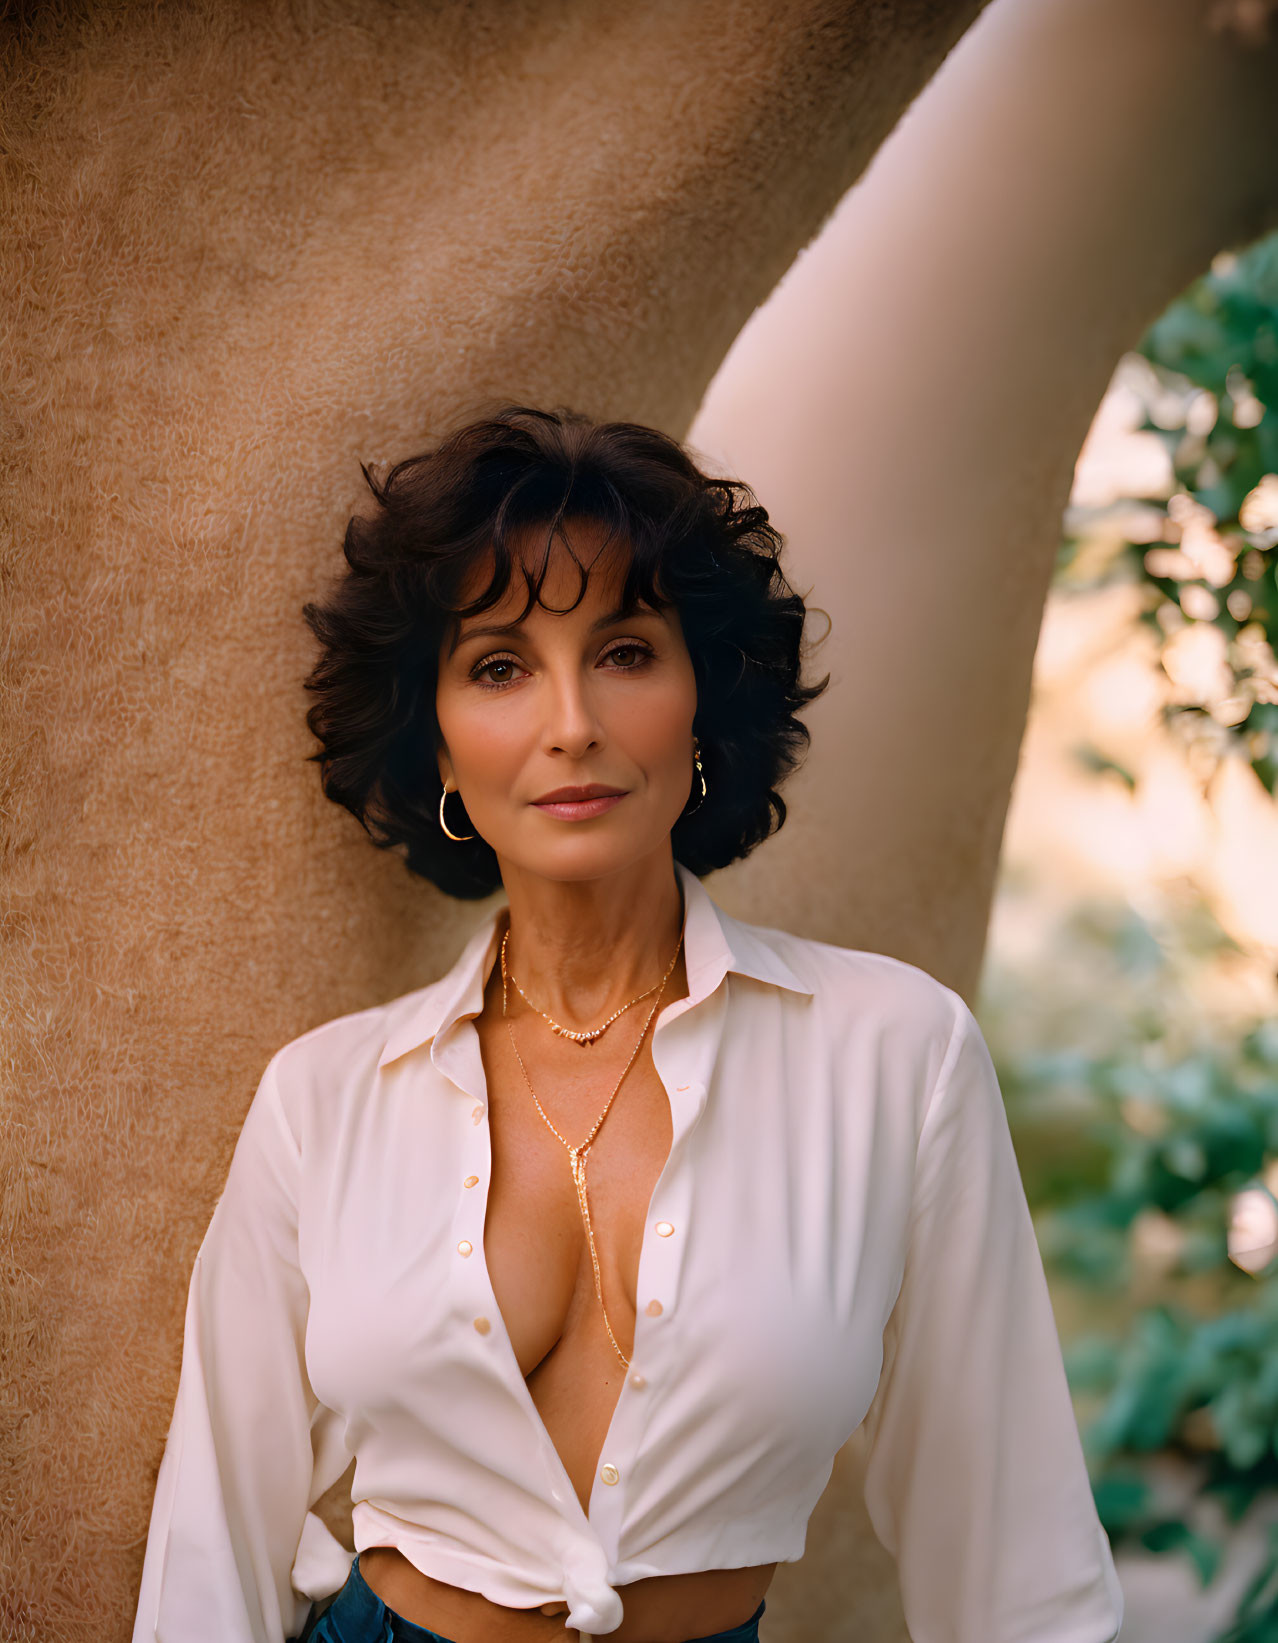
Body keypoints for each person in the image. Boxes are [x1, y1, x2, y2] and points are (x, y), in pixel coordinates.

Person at [132, 404, 1125, 1643]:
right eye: (499, 665)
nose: (571, 723)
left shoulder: (896, 1054)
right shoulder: (324, 1097)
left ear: (701, 697)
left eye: (625, 651)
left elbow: (1012, 1558)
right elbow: (212, 1539)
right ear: (433, 736)